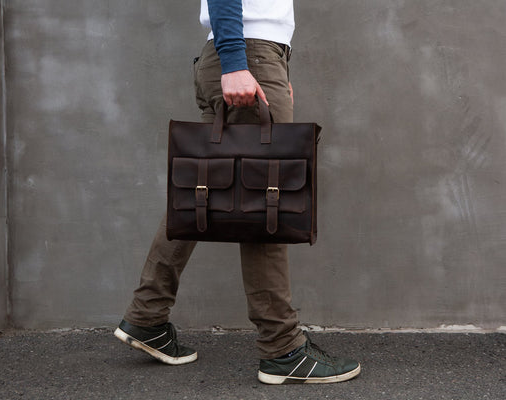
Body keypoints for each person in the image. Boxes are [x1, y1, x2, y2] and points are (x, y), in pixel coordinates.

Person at [114, 0, 361, 384]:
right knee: (266, 202)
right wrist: (237, 64)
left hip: (248, 56)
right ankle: (282, 349)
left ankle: (147, 315)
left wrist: (273, 67)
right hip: (244, 54)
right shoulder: (240, 56)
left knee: (201, 194)